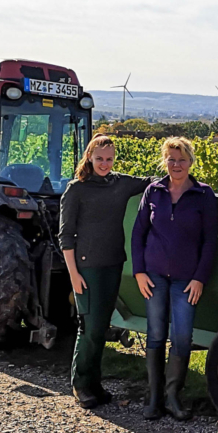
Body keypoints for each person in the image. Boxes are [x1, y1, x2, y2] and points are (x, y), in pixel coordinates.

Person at [60, 134, 153, 409]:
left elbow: (149, 182)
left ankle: (95, 384)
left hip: (113, 265)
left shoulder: (119, 183)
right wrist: (73, 274)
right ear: (89, 157)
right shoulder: (76, 189)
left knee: (101, 328)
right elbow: (65, 236)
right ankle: (80, 385)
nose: (104, 163)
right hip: (86, 269)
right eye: (99, 158)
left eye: (109, 159)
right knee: (88, 327)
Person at [132, 137, 218, 421]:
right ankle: (154, 398)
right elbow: (138, 233)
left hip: (186, 280)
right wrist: (139, 271)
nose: (176, 165)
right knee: (155, 335)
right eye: (171, 159)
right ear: (164, 161)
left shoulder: (203, 195)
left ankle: (172, 397)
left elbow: (210, 242)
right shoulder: (153, 192)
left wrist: (199, 278)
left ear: (191, 161)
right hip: (154, 276)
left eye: (181, 159)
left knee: (181, 338)